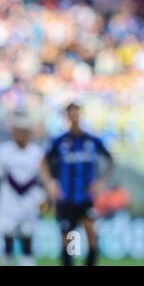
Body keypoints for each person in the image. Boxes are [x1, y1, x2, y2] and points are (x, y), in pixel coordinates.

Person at [40, 102, 114, 266]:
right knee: (69, 240)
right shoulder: (59, 142)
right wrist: (50, 183)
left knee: (91, 234)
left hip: (86, 197)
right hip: (66, 198)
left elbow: (110, 160)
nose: (74, 117)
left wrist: (101, 181)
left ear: (81, 115)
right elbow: (43, 162)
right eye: (71, 114)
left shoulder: (92, 140)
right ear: (67, 117)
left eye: (77, 114)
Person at [0, 110, 47, 266]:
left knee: (27, 240)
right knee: (8, 240)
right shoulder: (4, 151)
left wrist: (44, 197)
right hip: (8, 203)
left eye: (22, 131)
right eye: (16, 131)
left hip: (29, 203)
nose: (18, 134)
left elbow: (43, 178)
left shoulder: (37, 153)